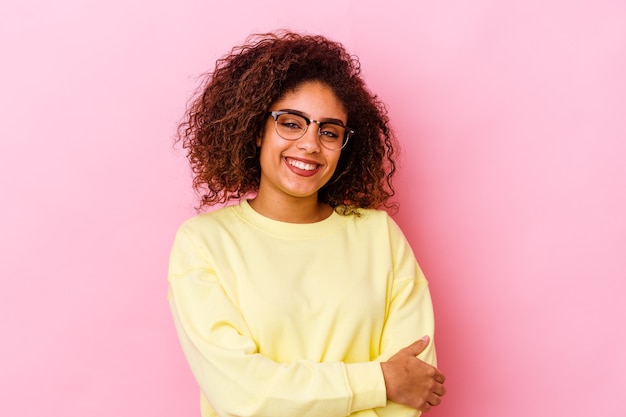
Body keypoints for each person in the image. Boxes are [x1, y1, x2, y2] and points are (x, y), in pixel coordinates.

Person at [167, 30, 446, 417]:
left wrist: (392, 382)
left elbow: (412, 385)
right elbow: (245, 392)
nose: (311, 145)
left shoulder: (379, 236)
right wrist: (379, 380)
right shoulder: (204, 244)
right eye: (292, 123)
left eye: (329, 132)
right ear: (255, 129)